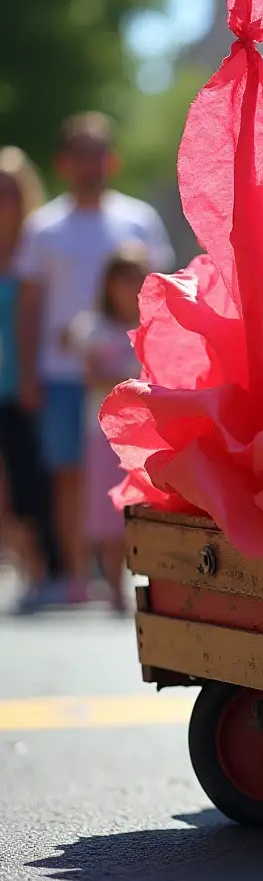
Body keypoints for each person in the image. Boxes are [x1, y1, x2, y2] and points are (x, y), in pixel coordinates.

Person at [15, 113, 174, 602]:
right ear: (64, 163)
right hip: (62, 376)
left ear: (113, 159)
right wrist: (27, 374)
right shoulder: (43, 228)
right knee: (69, 476)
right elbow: (29, 305)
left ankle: (125, 574)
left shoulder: (139, 219)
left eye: (97, 152)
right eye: (80, 154)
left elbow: (162, 297)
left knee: (135, 474)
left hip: (130, 378)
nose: (90, 164)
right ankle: (78, 579)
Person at [68, 246, 147, 612]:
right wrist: (131, 381)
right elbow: (94, 378)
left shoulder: (153, 323)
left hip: (145, 435)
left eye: (135, 277)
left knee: (142, 510)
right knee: (109, 513)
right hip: (103, 436)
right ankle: (114, 588)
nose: (128, 286)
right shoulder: (93, 328)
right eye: (122, 278)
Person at [0, 147, 61, 611]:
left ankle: (38, 570)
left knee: (31, 479)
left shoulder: (40, 246)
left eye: (11, 190)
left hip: (29, 384)